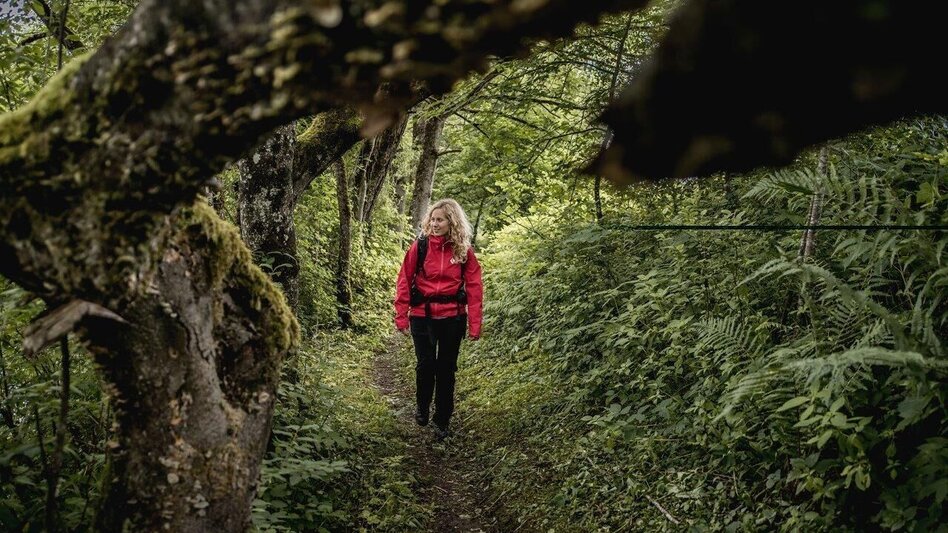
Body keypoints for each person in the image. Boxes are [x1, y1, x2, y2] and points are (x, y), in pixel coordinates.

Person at [395, 199, 483, 440]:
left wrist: (475, 324)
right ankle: (422, 408)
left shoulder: (463, 250)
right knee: (425, 364)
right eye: (432, 219)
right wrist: (401, 315)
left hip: (453, 318)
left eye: (440, 220)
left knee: (446, 369)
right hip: (423, 316)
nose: (434, 224)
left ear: (451, 222)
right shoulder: (420, 246)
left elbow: (475, 288)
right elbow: (404, 280)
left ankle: (442, 420)